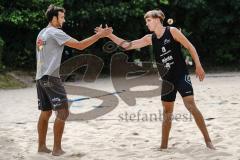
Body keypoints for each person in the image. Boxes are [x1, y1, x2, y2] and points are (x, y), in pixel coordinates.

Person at [96, 9, 215, 149]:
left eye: (149, 20)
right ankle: (163, 146)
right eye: (146, 21)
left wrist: (198, 66)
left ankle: (208, 141)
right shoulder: (149, 38)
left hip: (181, 75)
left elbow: (190, 46)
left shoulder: (172, 31)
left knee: (190, 105)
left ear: (158, 19)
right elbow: (128, 45)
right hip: (167, 79)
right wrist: (110, 35)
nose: (147, 24)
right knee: (167, 113)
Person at [36, 4, 112, 156]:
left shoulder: (42, 33)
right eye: (62, 17)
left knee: (46, 112)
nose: (64, 20)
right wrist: (99, 36)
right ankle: (57, 149)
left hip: (40, 77)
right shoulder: (55, 32)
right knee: (63, 112)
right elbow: (80, 45)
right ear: (53, 18)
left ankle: (42, 147)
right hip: (51, 77)